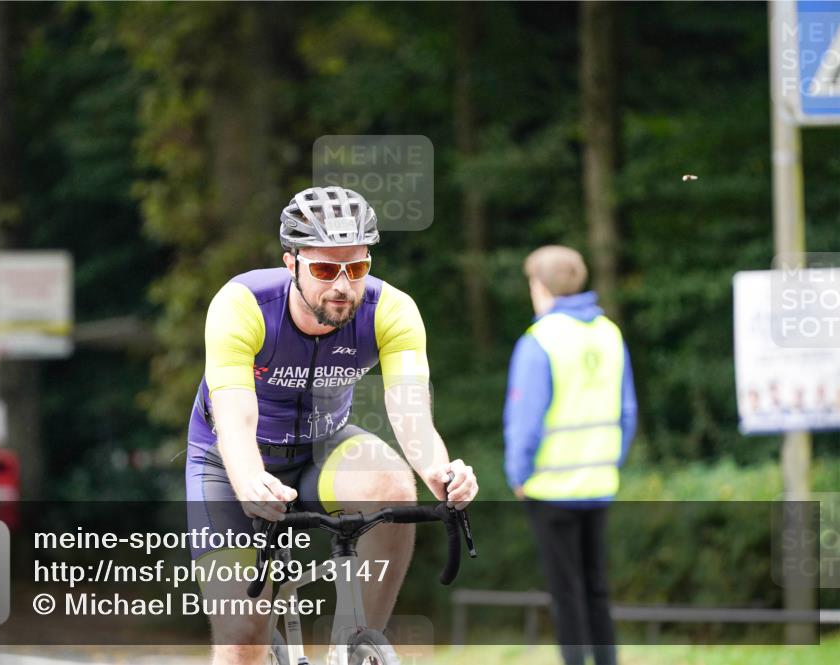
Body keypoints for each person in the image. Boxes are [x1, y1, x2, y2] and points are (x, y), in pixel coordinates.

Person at [186, 185, 479, 665]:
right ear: (292, 263)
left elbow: (410, 413)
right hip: (228, 459)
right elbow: (234, 417)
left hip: (322, 448)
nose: (343, 286)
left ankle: (355, 646)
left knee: (392, 484)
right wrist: (247, 481)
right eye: (324, 269)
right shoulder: (242, 304)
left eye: (357, 268)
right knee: (243, 633)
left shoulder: (391, 310)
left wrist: (441, 472)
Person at [503, 245, 637, 665]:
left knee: (567, 592)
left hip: (551, 487)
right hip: (599, 483)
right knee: (597, 588)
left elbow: (526, 420)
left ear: (540, 286)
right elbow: (627, 413)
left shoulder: (540, 339)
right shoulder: (609, 333)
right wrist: (610, 462)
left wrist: (518, 475)